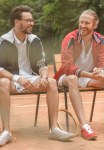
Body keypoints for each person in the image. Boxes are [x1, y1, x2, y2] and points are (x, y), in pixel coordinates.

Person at [0, 5, 74, 147]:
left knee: (52, 82)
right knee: (2, 82)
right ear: (17, 22)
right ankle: (6, 132)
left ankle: (54, 129)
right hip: (12, 79)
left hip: (31, 78)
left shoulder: (35, 40)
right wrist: (17, 78)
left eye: (32, 20)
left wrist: (44, 77)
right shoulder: (3, 41)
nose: (32, 23)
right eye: (28, 20)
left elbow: (42, 65)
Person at [54, 9, 104, 139]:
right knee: (73, 78)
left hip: (88, 77)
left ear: (94, 24)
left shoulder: (101, 40)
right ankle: (83, 125)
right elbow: (67, 66)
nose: (82, 26)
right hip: (67, 77)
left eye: (86, 23)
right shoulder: (70, 38)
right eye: (81, 22)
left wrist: (101, 71)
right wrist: (89, 74)